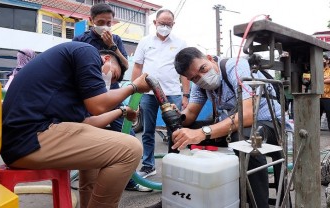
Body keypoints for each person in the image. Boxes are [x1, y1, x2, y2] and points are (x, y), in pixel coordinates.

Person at [1, 41, 151, 208]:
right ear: (106, 59)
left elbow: (89, 123)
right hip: (30, 139)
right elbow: (98, 106)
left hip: (20, 143)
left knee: (101, 147)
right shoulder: (87, 52)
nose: (108, 82)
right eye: (113, 75)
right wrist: (134, 86)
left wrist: (122, 111)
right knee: (130, 149)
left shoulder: (69, 83)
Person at [173, 47, 285, 208]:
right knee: (179, 135)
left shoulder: (234, 66)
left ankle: (259, 205)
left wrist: (205, 132)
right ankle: (180, 196)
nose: (202, 78)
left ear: (210, 58)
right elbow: (191, 112)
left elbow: (248, 114)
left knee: (244, 139)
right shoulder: (200, 84)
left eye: (203, 69)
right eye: (195, 78)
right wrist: (176, 118)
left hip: (270, 123)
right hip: (236, 126)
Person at [73, 3, 150, 191]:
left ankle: (129, 181)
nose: (105, 26)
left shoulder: (115, 39)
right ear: (91, 21)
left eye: (109, 22)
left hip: (113, 94)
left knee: (127, 136)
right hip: (87, 95)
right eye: (101, 22)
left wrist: (112, 47)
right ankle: (89, 181)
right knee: (89, 137)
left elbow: (125, 64)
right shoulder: (81, 39)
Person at [131, 9, 190, 178]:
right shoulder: (144, 41)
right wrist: (134, 90)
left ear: (173, 24)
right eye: (161, 23)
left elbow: (184, 71)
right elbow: (137, 67)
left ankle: (175, 164)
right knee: (148, 131)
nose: (164, 26)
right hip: (148, 94)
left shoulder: (180, 43)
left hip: (172, 93)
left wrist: (185, 95)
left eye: (168, 24)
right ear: (155, 23)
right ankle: (149, 165)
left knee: (176, 130)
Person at [321, 54, 330, 130]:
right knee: (317, 116)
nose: (321, 61)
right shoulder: (319, 70)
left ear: (327, 61)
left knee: (329, 116)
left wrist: (320, 79)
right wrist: (325, 79)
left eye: (323, 60)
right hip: (318, 96)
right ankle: (316, 133)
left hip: (328, 97)